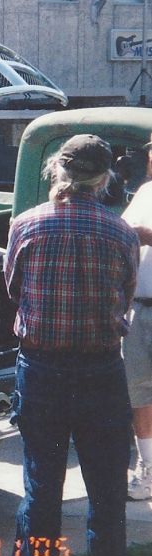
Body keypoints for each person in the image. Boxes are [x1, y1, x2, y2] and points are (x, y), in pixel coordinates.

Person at [4, 134, 139, 556]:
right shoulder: (121, 232)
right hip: (101, 370)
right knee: (107, 492)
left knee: (42, 487)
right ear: (105, 180)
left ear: (58, 172)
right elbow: (126, 294)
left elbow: (14, 288)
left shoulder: (26, 224)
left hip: (42, 368)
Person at [124, 136, 152, 501]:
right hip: (139, 307)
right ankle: (147, 469)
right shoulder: (145, 191)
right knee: (139, 393)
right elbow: (124, 233)